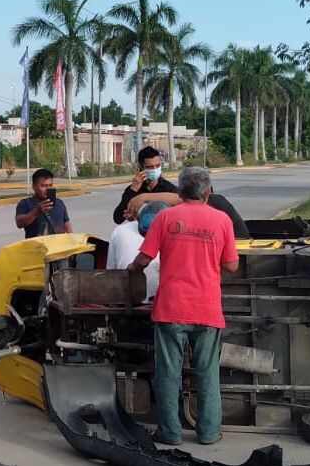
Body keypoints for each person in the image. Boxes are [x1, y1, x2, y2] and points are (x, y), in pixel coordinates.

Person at [127, 167, 240, 447]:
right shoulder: (222, 220)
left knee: (168, 373)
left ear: (179, 193)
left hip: (171, 307)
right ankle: (208, 432)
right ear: (208, 192)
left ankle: (170, 432)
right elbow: (232, 265)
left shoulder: (166, 217)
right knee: (207, 373)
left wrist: (132, 268)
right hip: (207, 308)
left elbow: (144, 258)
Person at [113, 146, 250, 238]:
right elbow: (118, 218)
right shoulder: (132, 190)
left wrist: (144, 197)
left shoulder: (168, 188)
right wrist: (133, 192)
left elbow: (180, 201)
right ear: (141, 167)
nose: (154, 169)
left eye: (157, 166)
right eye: (150, 167)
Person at [106, 201, 165, 301]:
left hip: (127, 298)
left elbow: (111, 270)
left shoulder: (119, 230)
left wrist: (132, 268)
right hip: (159, 300)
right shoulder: (173, 232)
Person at [15, 168, 72, 239]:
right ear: (34, 187)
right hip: (37, 248)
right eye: (43, 186)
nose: (48, 189)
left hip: (58, 247)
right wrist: (37, 211)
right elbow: (19, 223)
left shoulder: (59, 203)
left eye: (50, 185)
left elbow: (68, 227)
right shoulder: (25, 203)